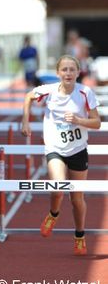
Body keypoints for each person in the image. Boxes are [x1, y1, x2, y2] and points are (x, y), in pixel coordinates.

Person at [21, 55, 101, 256]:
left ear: (78, 72)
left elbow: (97, 123)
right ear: (58, 73)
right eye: (64, 69)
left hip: (77, 149)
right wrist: (25, 121)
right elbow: (28, 97)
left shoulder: (85, 93)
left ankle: (79, 236)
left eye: (71, 69)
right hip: (55, 147)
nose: (68, 73)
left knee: (76, 198)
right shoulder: (48, 91)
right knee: (57, 187)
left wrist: (78, 119)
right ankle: (53, 213)